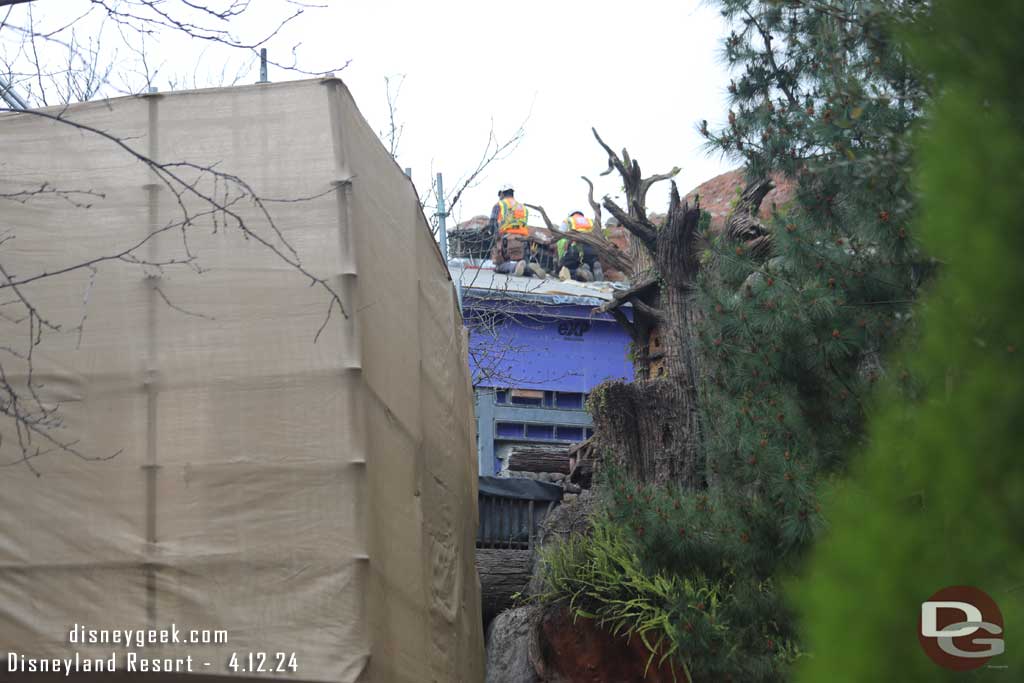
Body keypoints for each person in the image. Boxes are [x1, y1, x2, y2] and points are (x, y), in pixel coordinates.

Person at [488, 184, 548, 277]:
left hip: (506, 240)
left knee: (499, 266)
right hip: (523, 240)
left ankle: (515, 266)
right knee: (523, 265)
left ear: (502, 194)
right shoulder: (522, 207)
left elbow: (492, 224)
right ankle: (530, 267)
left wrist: (494, 237)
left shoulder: (499, 204)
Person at [556, 211, 604, 282]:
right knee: (587, 263)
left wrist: (562, 256)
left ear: (572, 215)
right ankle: (593, 265)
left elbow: (559, 237)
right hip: (592, 250)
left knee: (562, 270)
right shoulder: (590, 221)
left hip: (575, 249)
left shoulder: (568, 220)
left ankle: (580, 272)